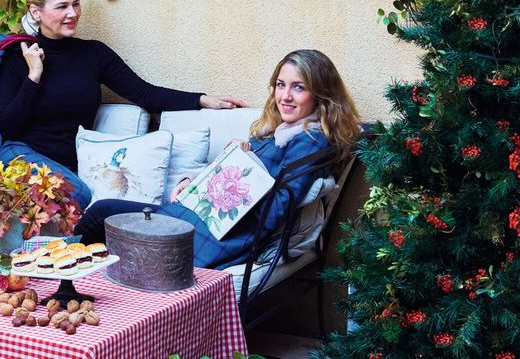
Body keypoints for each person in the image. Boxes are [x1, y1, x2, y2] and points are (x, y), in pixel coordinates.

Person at [72, 48, 361, 270]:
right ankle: (67, 278)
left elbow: (275, 209)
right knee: (104, 211)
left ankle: (61, 277)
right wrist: (194, 182)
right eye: (281, 84)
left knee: (101, 213)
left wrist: (243, 168)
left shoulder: (310, 141)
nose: (285, 96)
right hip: (194, 215)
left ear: (320, 94)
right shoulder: (280, 132)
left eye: (299, 87)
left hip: (217, 232)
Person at [0, 0, 247, 208]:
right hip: (22, 158)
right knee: (80, 195)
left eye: (75, 3)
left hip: (68, 168)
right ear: (36, 12)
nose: (73, 13)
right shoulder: (18, 55)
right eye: (62, 6)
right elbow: (8, 126)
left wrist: (202, 99)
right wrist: (34, 75)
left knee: (85, 198)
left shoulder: (93, 54)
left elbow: (144, 93)